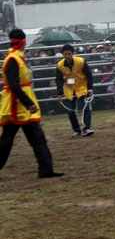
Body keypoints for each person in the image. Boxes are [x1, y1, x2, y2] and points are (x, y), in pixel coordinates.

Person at [0, 29, 63, 179]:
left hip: (20, 105)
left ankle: (46, 169)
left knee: (30, 137)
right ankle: (45, 169)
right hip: (17, 106)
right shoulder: (14, 59)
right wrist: (28, 104)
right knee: (12, 140)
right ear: (23, 42)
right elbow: (14, 85)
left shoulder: (16, 57)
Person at [56, 44, 94, 137]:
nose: (68, 56)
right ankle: (77, 130)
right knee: (70, 111)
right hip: (69, 89)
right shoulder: (60, 65)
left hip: (82, 87)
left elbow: (89, 74)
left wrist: (90, 88)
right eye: (66, 54)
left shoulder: (81, 61)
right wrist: (60, 93)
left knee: (86, 108)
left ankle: (86, 128)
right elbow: (59, 80)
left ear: (73, 53)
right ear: (63, 54)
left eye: (69, 54)